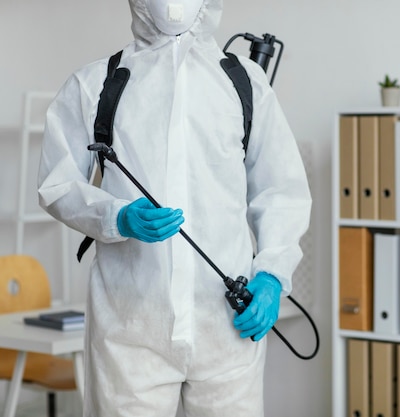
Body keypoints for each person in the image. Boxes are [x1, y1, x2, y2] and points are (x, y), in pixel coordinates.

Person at [37, 0, 312, 415]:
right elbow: (57, 184)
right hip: (129, 334)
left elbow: (281, 191)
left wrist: (272, 276)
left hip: (226, 330)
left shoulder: (244, 83)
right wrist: (116, 215)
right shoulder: (96, 83)